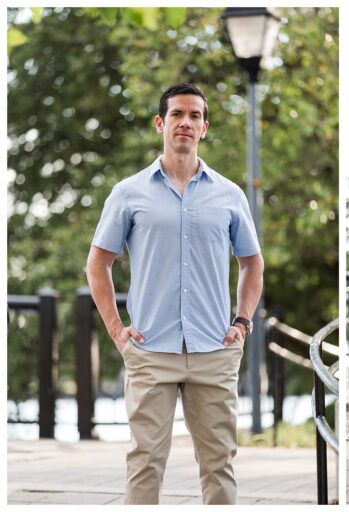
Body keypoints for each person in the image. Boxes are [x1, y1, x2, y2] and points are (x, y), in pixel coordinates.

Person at [85, 83, 264, 505]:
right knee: (145, 462)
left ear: (204, 127)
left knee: (219, 463)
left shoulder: (229, 195)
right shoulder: (128, 192)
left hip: (214, 350)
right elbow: (98, 264)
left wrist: (242, 322)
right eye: (178, 114)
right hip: (150, 351)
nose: (186, 122)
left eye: (195, 116)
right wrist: (117, 330)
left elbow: (252, 263)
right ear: (161, 123)